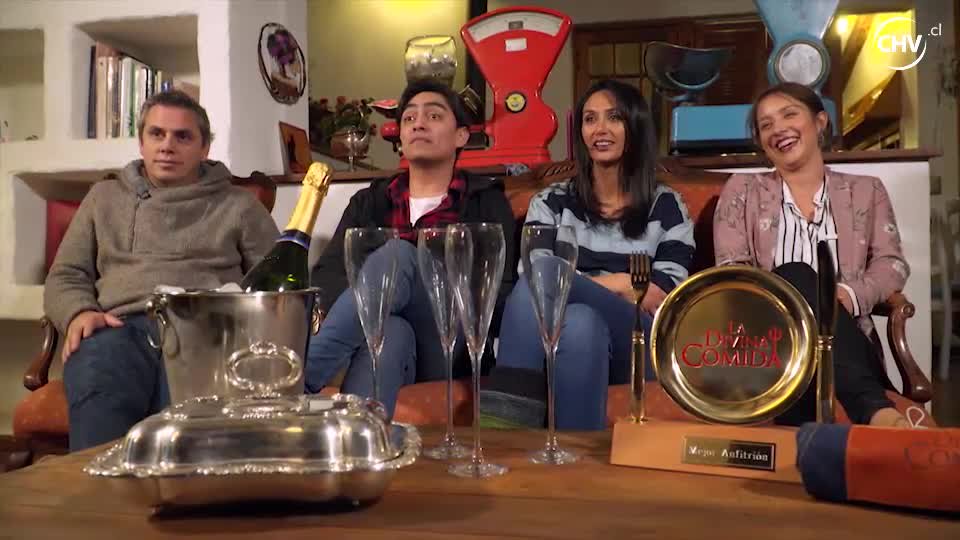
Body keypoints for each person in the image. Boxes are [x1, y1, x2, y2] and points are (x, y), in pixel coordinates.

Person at [45, 90, 280, 451]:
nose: (167, 146)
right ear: (142, 143)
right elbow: (65, 274)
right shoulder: (103, 197)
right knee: (99, 384)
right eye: (157, 134)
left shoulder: (240, 205)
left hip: (204, 330)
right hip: (118, 326)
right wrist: (79, 312)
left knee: (184, 434)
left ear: (204, 148)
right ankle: (98, 486)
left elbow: (276, 282)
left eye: (182, 137)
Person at [479, 79, 696, 430]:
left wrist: (576, 282)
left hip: (639, 342)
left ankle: (503, 430)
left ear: (635, 126)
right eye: (590, 119)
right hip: (561, 332)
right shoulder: (551, 202)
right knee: (581, 322)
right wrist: (624, 282)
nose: (600, 129)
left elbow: (659, 294)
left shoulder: (666, 205)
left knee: (550, 275)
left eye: (614, 117)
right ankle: (576, 454)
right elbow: (530, 281)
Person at [305, 79, 516, 417]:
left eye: (434, 116)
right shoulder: (370, 201)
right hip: (380, 337)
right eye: (409, 118)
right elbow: (330, 273)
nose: (418, 123)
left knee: (398, 254)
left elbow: (501, 288)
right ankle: (361, 437)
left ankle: (302, 375)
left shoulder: (485, 202)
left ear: (462, 136)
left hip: (451, 342)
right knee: (392, 330)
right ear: (401, 137)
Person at [714, 82, 910, 427]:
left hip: (848, 342)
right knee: (796, 274)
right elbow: (733, 271)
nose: (778, 129)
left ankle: (820, 432)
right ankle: (875, 411)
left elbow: (891, 264)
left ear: (820, 122)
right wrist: (795, 305)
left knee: (806, 282)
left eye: (789, 114)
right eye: (766, 125)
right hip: (772, 346)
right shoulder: (742, 190)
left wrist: (847, 296)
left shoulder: (866, 190)